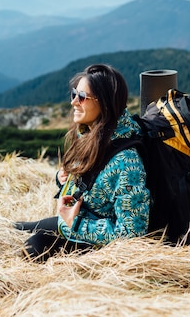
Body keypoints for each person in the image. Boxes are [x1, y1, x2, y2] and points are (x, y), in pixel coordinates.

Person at [15, 64, 151, 261]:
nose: (74, 103)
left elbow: (132, 233)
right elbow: (93, 184)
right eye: (73, 94)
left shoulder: (127, 162)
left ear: (105, 103)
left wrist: (76, 224)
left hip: (95, 240)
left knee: (33, 248)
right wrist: (64, 181)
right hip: (75, 224)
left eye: (82, 97)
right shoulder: (91, 135)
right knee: (16, 229)